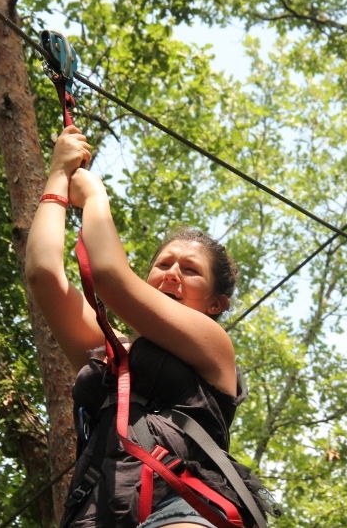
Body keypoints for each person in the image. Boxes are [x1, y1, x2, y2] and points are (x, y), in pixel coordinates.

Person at [27, 125, 251, 528]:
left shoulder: (214, 349)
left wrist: (95, 197)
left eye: (190, 270)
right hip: (95, 514)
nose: (171, 275)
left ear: (217, 304)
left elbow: (111, 278)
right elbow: (44, 275)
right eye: (163, 264)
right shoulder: (109, 353)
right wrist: (58, 175)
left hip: (183, 506)